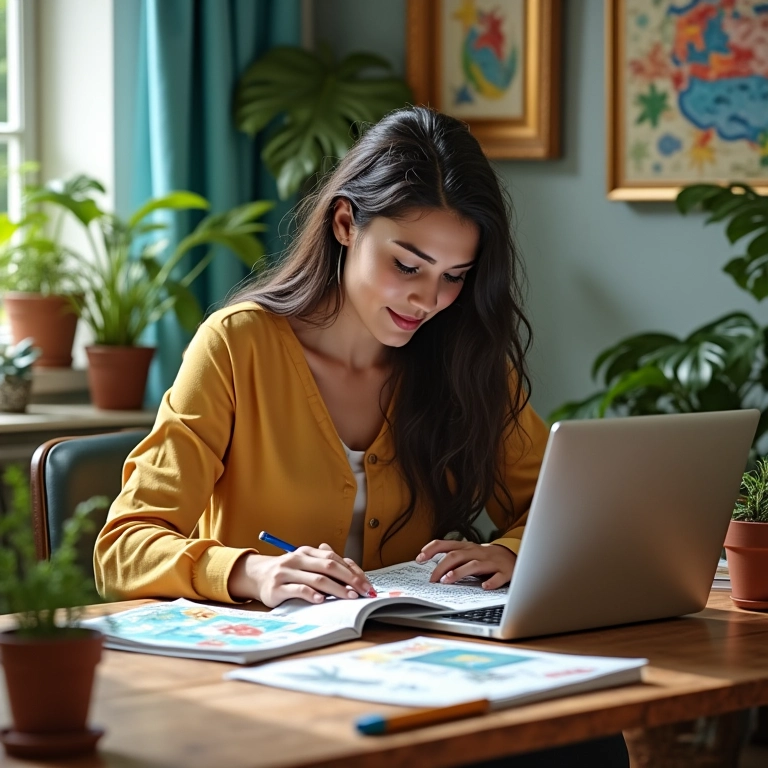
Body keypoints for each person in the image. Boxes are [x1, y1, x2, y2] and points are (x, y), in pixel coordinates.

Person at [93, 106, 628, 767]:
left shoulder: (467, 359)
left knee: (582, 740)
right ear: (346, 223)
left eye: (454, 277)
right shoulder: (237, 347)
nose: (427, 300)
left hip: (418, 678)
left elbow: (563, 508)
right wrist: (253, 571)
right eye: (408, 265)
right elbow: (124, 547)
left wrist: (516, 551)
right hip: (268, 688)